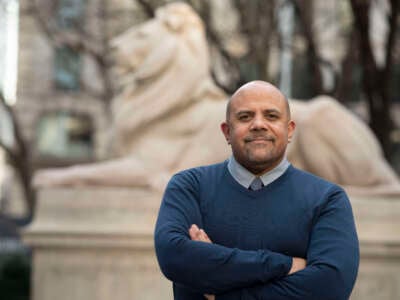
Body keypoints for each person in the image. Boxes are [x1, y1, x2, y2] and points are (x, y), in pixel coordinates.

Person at [154, 80, 359, 300]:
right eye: (245, 117)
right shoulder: (189, 186)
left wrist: (221, 291)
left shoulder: (327, 199)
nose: (258, 124)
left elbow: (330, 286)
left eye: (271, 116)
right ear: (226, 132)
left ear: (289, 130)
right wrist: (285, 264)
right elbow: (174, 255)